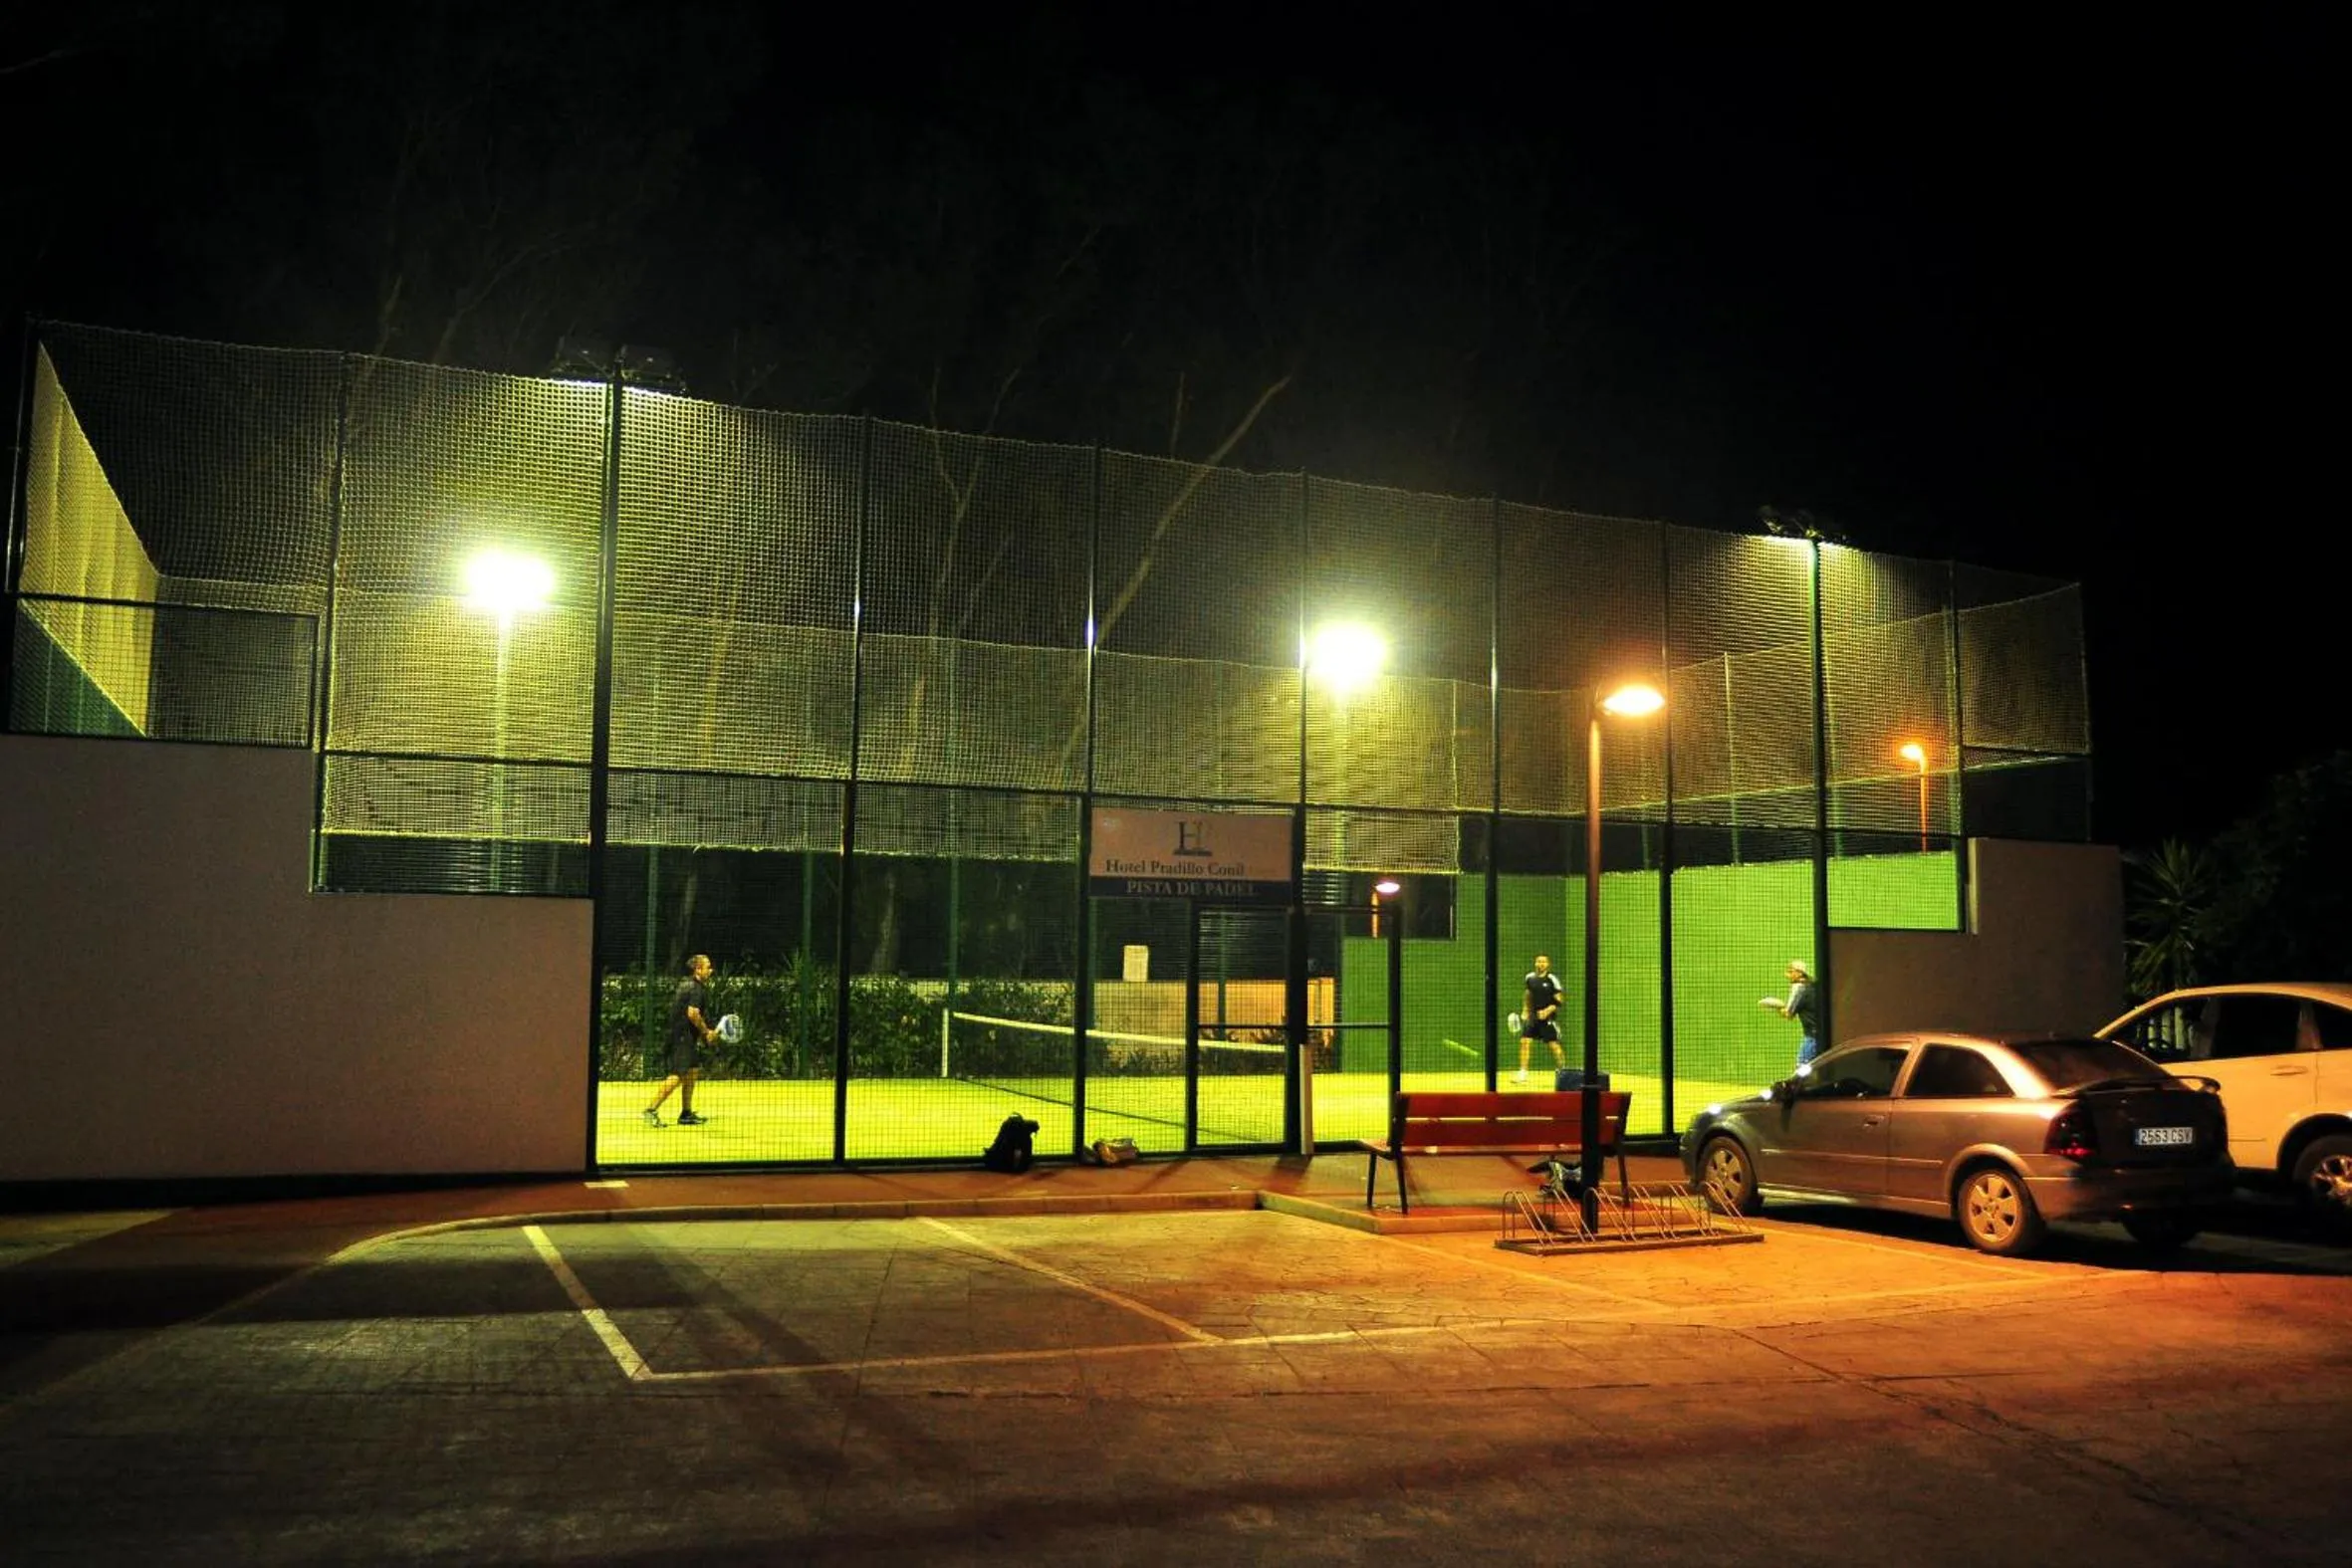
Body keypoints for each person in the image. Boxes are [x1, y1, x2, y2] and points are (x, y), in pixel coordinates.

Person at [644, 954, 717, 1127]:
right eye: (708, 967)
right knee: (678, 1075)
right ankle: (651, 1110)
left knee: (692, 1072)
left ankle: (686, 1113)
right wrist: (706, 1032)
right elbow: (692, 1013)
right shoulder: (696, 988)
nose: (711, 970)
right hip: (683, 1037)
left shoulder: (687, 985)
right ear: (698, 969)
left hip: (683, 1036)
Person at [1760, 959, 1821, 1069]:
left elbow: (1788, 1014)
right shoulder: (1812, 985)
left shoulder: (1799, 987)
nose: (1787, 975)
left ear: (1799, 973)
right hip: (1824, 1035)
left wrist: (1776, 1006)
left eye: (1790, 971)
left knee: (1801, 1068)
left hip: (1813, 1036)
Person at [1516, 953, 1567, 1084]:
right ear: (1535, 963)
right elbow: (1528, 995)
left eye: (1544, 962)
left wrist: (1547, 1010)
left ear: (1548, 964)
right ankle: (1523, 1074)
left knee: (1554, 1045)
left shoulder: (1552, 979)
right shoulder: (1530, 978)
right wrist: (1525, 1010)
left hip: (1548, 1019)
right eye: (1538, 961)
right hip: (1533, 1018)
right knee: (1524, 1042)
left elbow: (1560, 1000)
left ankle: (1564, 1072)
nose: (1541, 964)